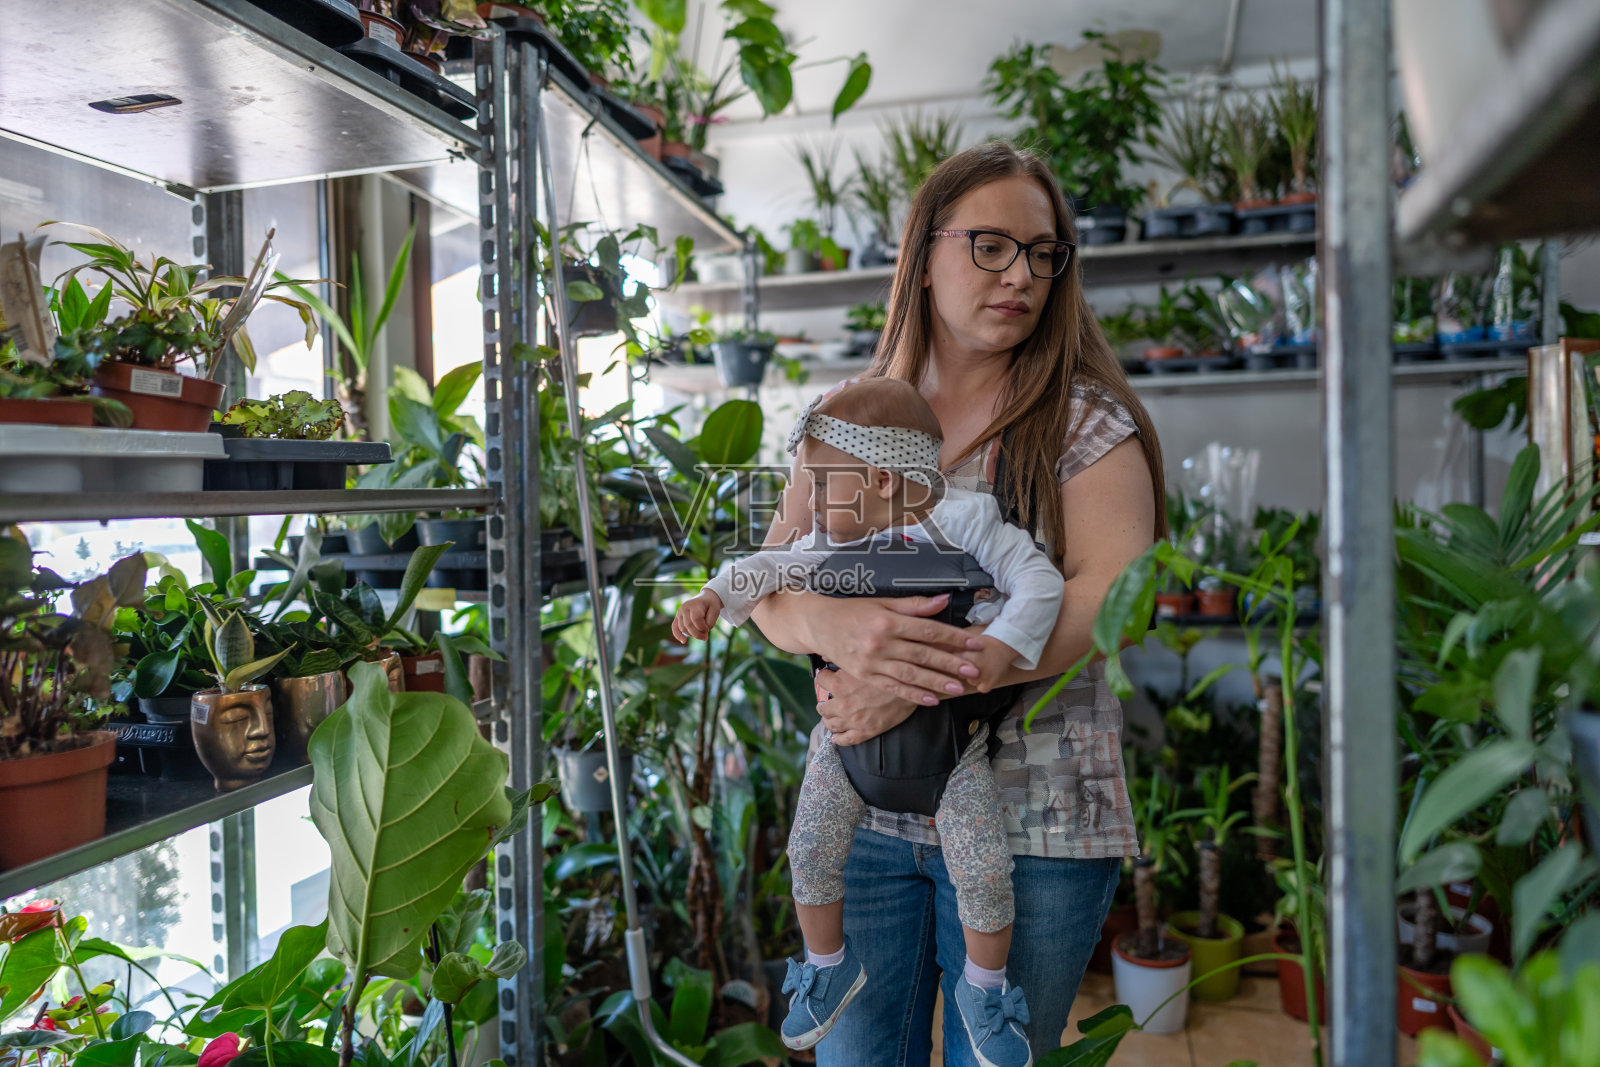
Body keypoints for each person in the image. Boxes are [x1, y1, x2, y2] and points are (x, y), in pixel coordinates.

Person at [746, 141, 1167, 1064]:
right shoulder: (854, 415)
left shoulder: (1086, 421)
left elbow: (1112, 595)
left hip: (1039, 820)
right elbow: (771, 575)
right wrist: (831, 626)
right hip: (864, 805)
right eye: (990, 246)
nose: (1021, 274)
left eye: (1043, 254)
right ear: (924, 254)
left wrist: (918, 678)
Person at [672, 377, 1064, 1066]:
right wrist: (711, 595)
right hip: (845, 747)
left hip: (951, 748)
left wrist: (999, 650)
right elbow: (765, 564)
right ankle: (827, 963)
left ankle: (986, 988)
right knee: (811, 847)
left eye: (822, 485)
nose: (809, 505)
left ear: (881, 481)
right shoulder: (826, 542)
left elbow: (1041, 581)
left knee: (983, 868)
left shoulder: (965, 520)